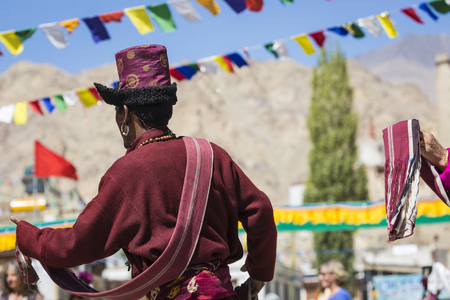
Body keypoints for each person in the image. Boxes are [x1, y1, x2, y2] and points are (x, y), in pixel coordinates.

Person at [10, 44, 277, 300]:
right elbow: (261, 210)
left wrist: (29, 237)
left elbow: (78, 243)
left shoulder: (126, 172)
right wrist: (260, 272)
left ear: (125, 113)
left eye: (117, 112)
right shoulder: (212, 154)